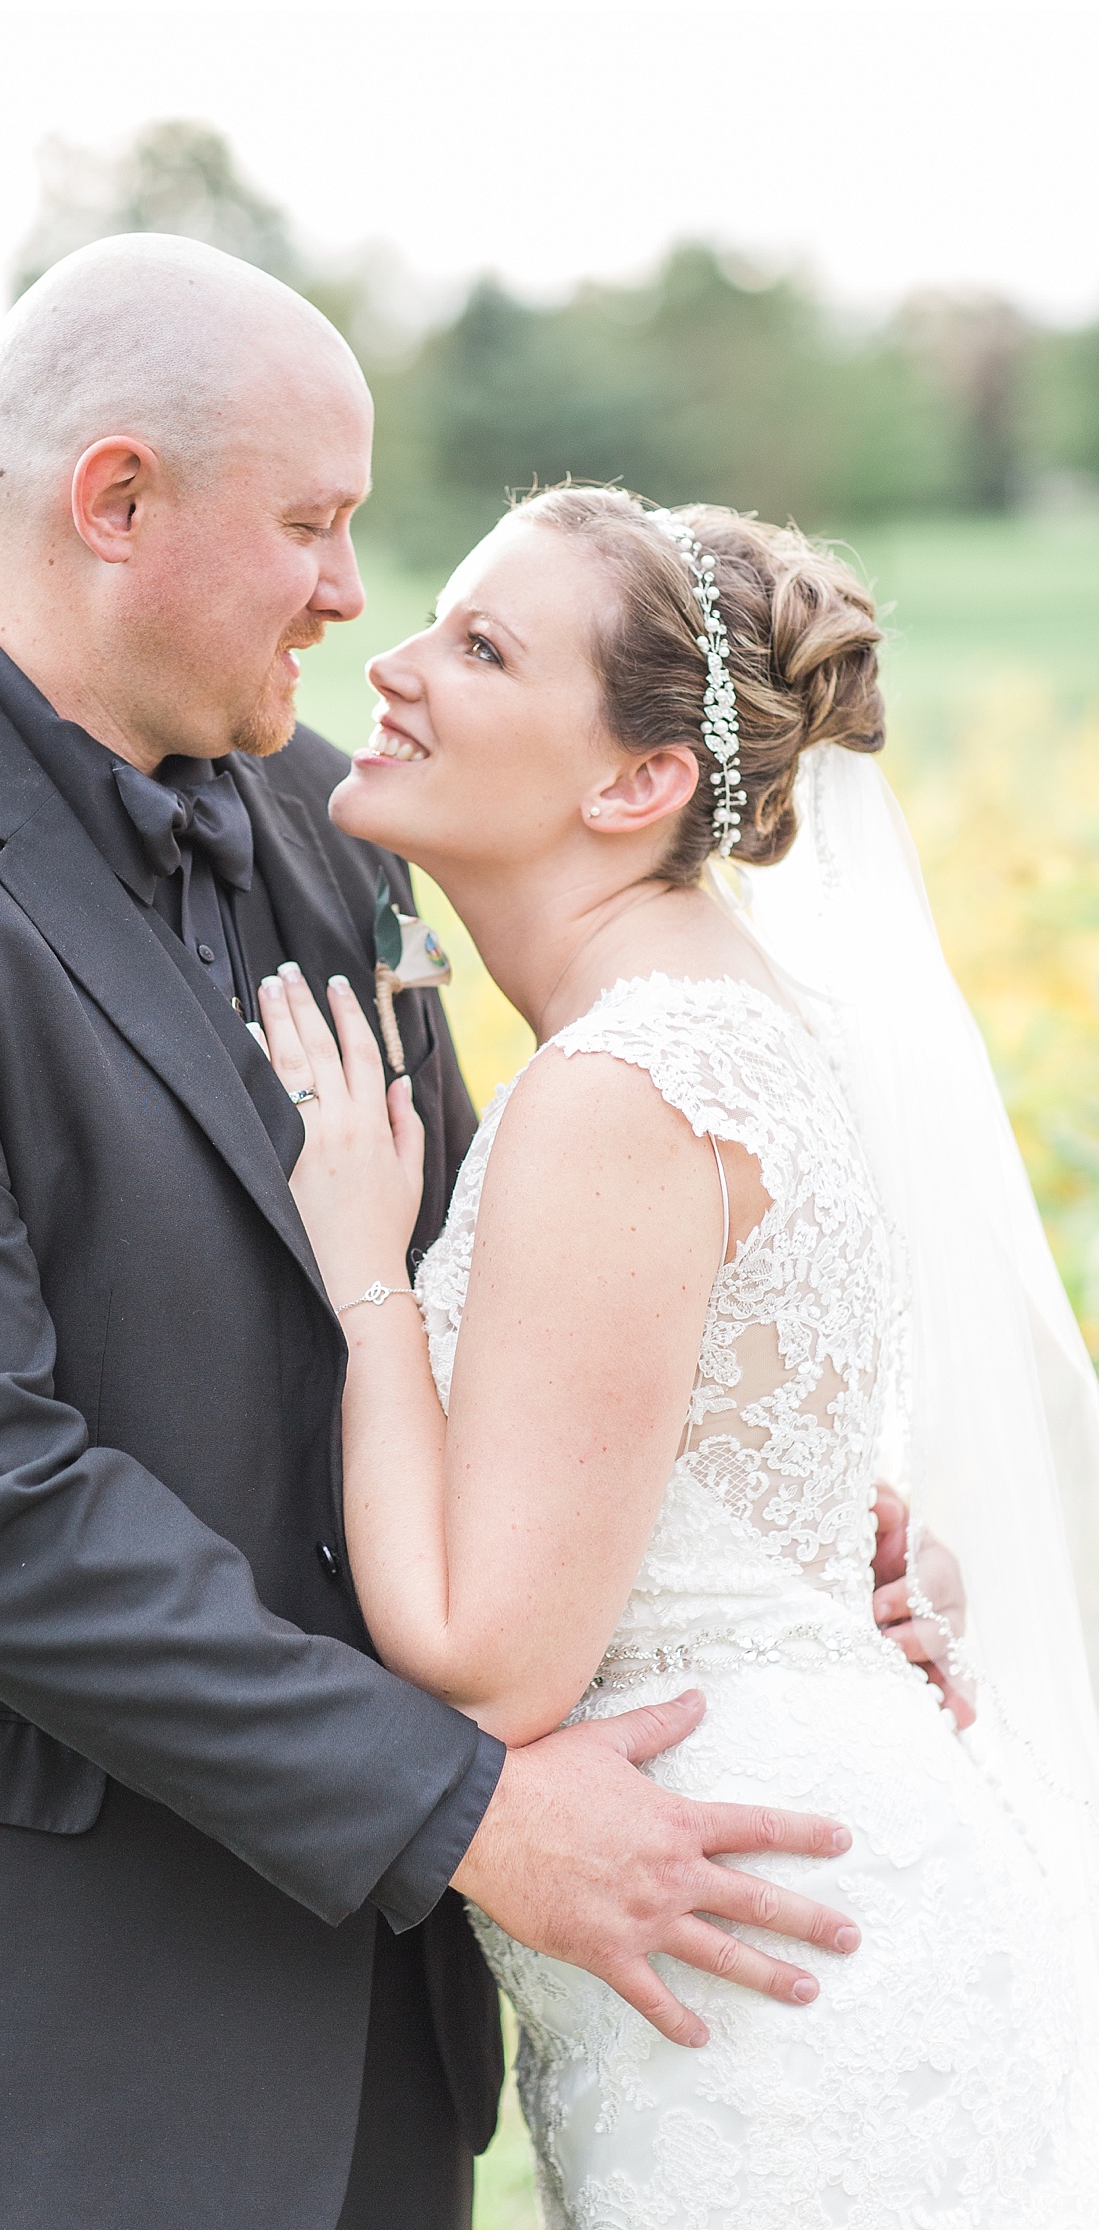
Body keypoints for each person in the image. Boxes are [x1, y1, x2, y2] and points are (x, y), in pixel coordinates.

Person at [0, 239, 881, 2231]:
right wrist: (468, 1815)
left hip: (347, 2062)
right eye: (309, 523)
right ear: (114, 502)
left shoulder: (332, 814)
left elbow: (507, 1295)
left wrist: (766, 1517)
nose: (351, 594)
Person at [256, 486, 1097, 2228]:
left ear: (637, 784)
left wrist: (363, 1269)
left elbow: (494, 1673)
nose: (392, 667)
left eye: (481, 649)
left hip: (780, 1991)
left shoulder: (623, 1086)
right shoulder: (731, 1025)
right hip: (782, 1918)